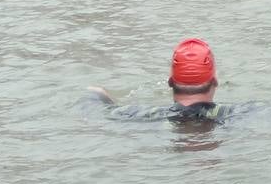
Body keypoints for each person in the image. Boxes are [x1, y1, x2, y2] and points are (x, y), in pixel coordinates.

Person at [88, 38, 244, 124]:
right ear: (215, 81)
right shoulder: (236, 114)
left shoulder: (145, 115)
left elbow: (93, 95)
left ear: (170, 82)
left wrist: (103, 96)